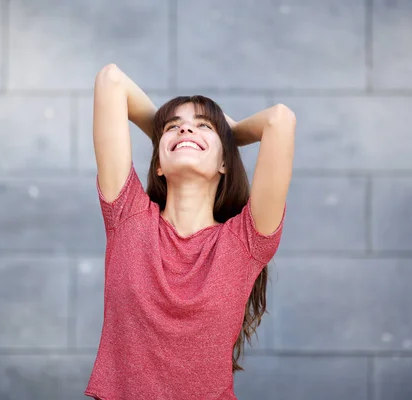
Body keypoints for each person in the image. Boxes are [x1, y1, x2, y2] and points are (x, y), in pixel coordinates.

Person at [85, 64, 296, 400]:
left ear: (225, 162)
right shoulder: (128, 217)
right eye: (174, 127)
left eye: (202, 126)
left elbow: (280, 120)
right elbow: (111, 80)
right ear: (157, 163)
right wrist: (190, 137)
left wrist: (230, 135)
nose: (185, 131)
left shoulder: (245, 241)